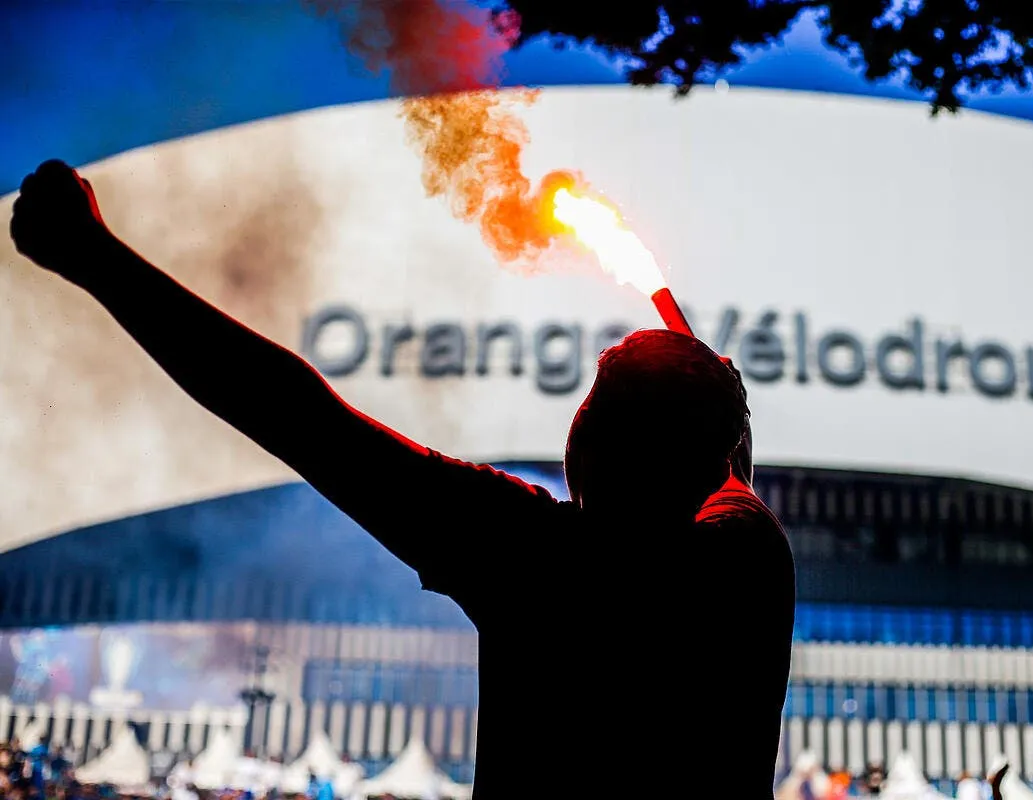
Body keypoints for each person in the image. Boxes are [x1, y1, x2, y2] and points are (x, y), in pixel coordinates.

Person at [9, 159, 796, 798]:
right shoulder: (746, 563)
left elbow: (294, 413)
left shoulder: (533, 553)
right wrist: (719, 430)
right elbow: (730, 492)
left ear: (585, 446)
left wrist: (94, 256)